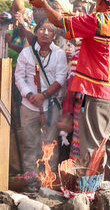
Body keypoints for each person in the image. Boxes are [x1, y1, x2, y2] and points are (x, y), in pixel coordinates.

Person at [28, 0, 110, 184]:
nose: (95, 5)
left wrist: (44, 4)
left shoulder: (97, 20)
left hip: (100, 94)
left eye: (97, 2)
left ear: (102, 1)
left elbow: (59, 21)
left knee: (92, 151)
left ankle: (90, 197)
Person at [15, 18, 68, 190]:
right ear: (36, 32)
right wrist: (30, 94)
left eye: (49, 30)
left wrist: (43, 95)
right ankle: (31, 185)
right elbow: (19, 77)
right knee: (30, 146)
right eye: (42, 29)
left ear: (54, 35)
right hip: (29, 106)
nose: (45, 32)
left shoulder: (60, 53)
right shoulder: (26, 53)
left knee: (50, 146)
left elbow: (61, 78)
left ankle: (48, 185)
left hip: (51, 108)